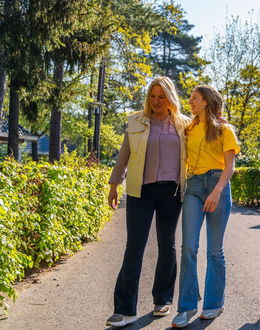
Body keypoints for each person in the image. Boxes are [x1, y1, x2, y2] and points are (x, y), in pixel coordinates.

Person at [106, 77, 190, 327]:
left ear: (170, 98)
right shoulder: (136, 121)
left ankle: (162, 298)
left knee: (167, 245)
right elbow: (124, 155)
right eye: (152, 96)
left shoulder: (185, 124)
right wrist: (114, 185)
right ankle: (123, 309)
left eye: (161, 97)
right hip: (139, 191)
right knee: (134, 246)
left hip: (172, 191)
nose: (155, 101)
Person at [171, 85, 240, 328]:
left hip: (217, 184)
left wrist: (217, 191)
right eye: (190, 98)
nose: (190, 101)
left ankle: (213, 303)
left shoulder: (224, 129)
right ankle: (186, 306)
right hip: (193, 185)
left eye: (195, 98)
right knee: (188, 247)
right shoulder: (188, 128)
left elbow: (229, 166)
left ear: (207, 102)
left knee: (215, 250)